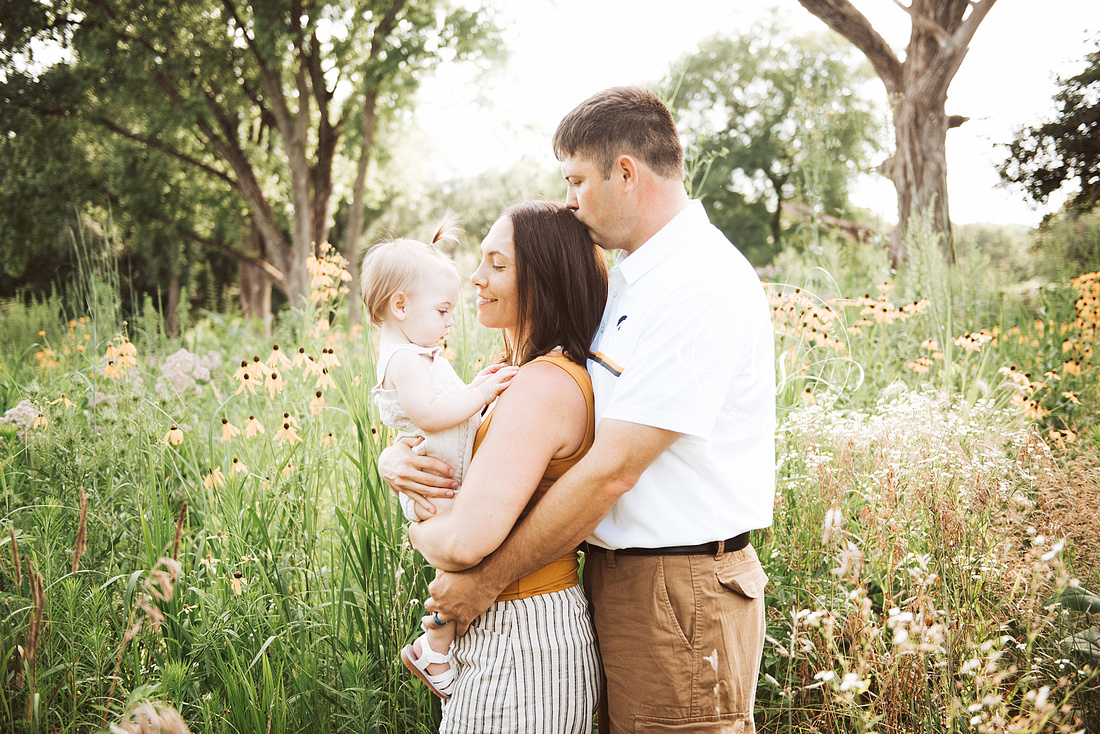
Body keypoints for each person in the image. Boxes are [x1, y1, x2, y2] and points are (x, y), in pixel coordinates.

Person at [381, 86, 776, 733]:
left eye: (577, 180)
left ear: (626, 173)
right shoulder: (633, 282)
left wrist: (483, 582)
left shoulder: (695, 284)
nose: (570, 200)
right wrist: (394, 457)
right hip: (615, 578)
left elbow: (613, 470)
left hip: (680, 583)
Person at [400, 200, 609, 732]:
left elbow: (466, 541)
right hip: (500, 624)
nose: (476, 277)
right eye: (480, 261)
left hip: (527, 635)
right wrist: (393, 460)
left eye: (497, 264)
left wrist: (417, 531)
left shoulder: (544, 385)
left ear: (543, 278)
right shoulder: (514, 374)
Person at [360, 221, 521, 698]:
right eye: (443, 310)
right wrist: (483, 392)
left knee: (458, 570)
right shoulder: (405, 360)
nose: (451, 321)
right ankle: (434, 648)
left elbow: (448, 408)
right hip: (438, 486)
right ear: (401, 306)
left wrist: (476, 389)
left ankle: (436, 644)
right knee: (457, 572)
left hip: (445, 478)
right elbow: (431, 416)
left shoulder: (419, 353)